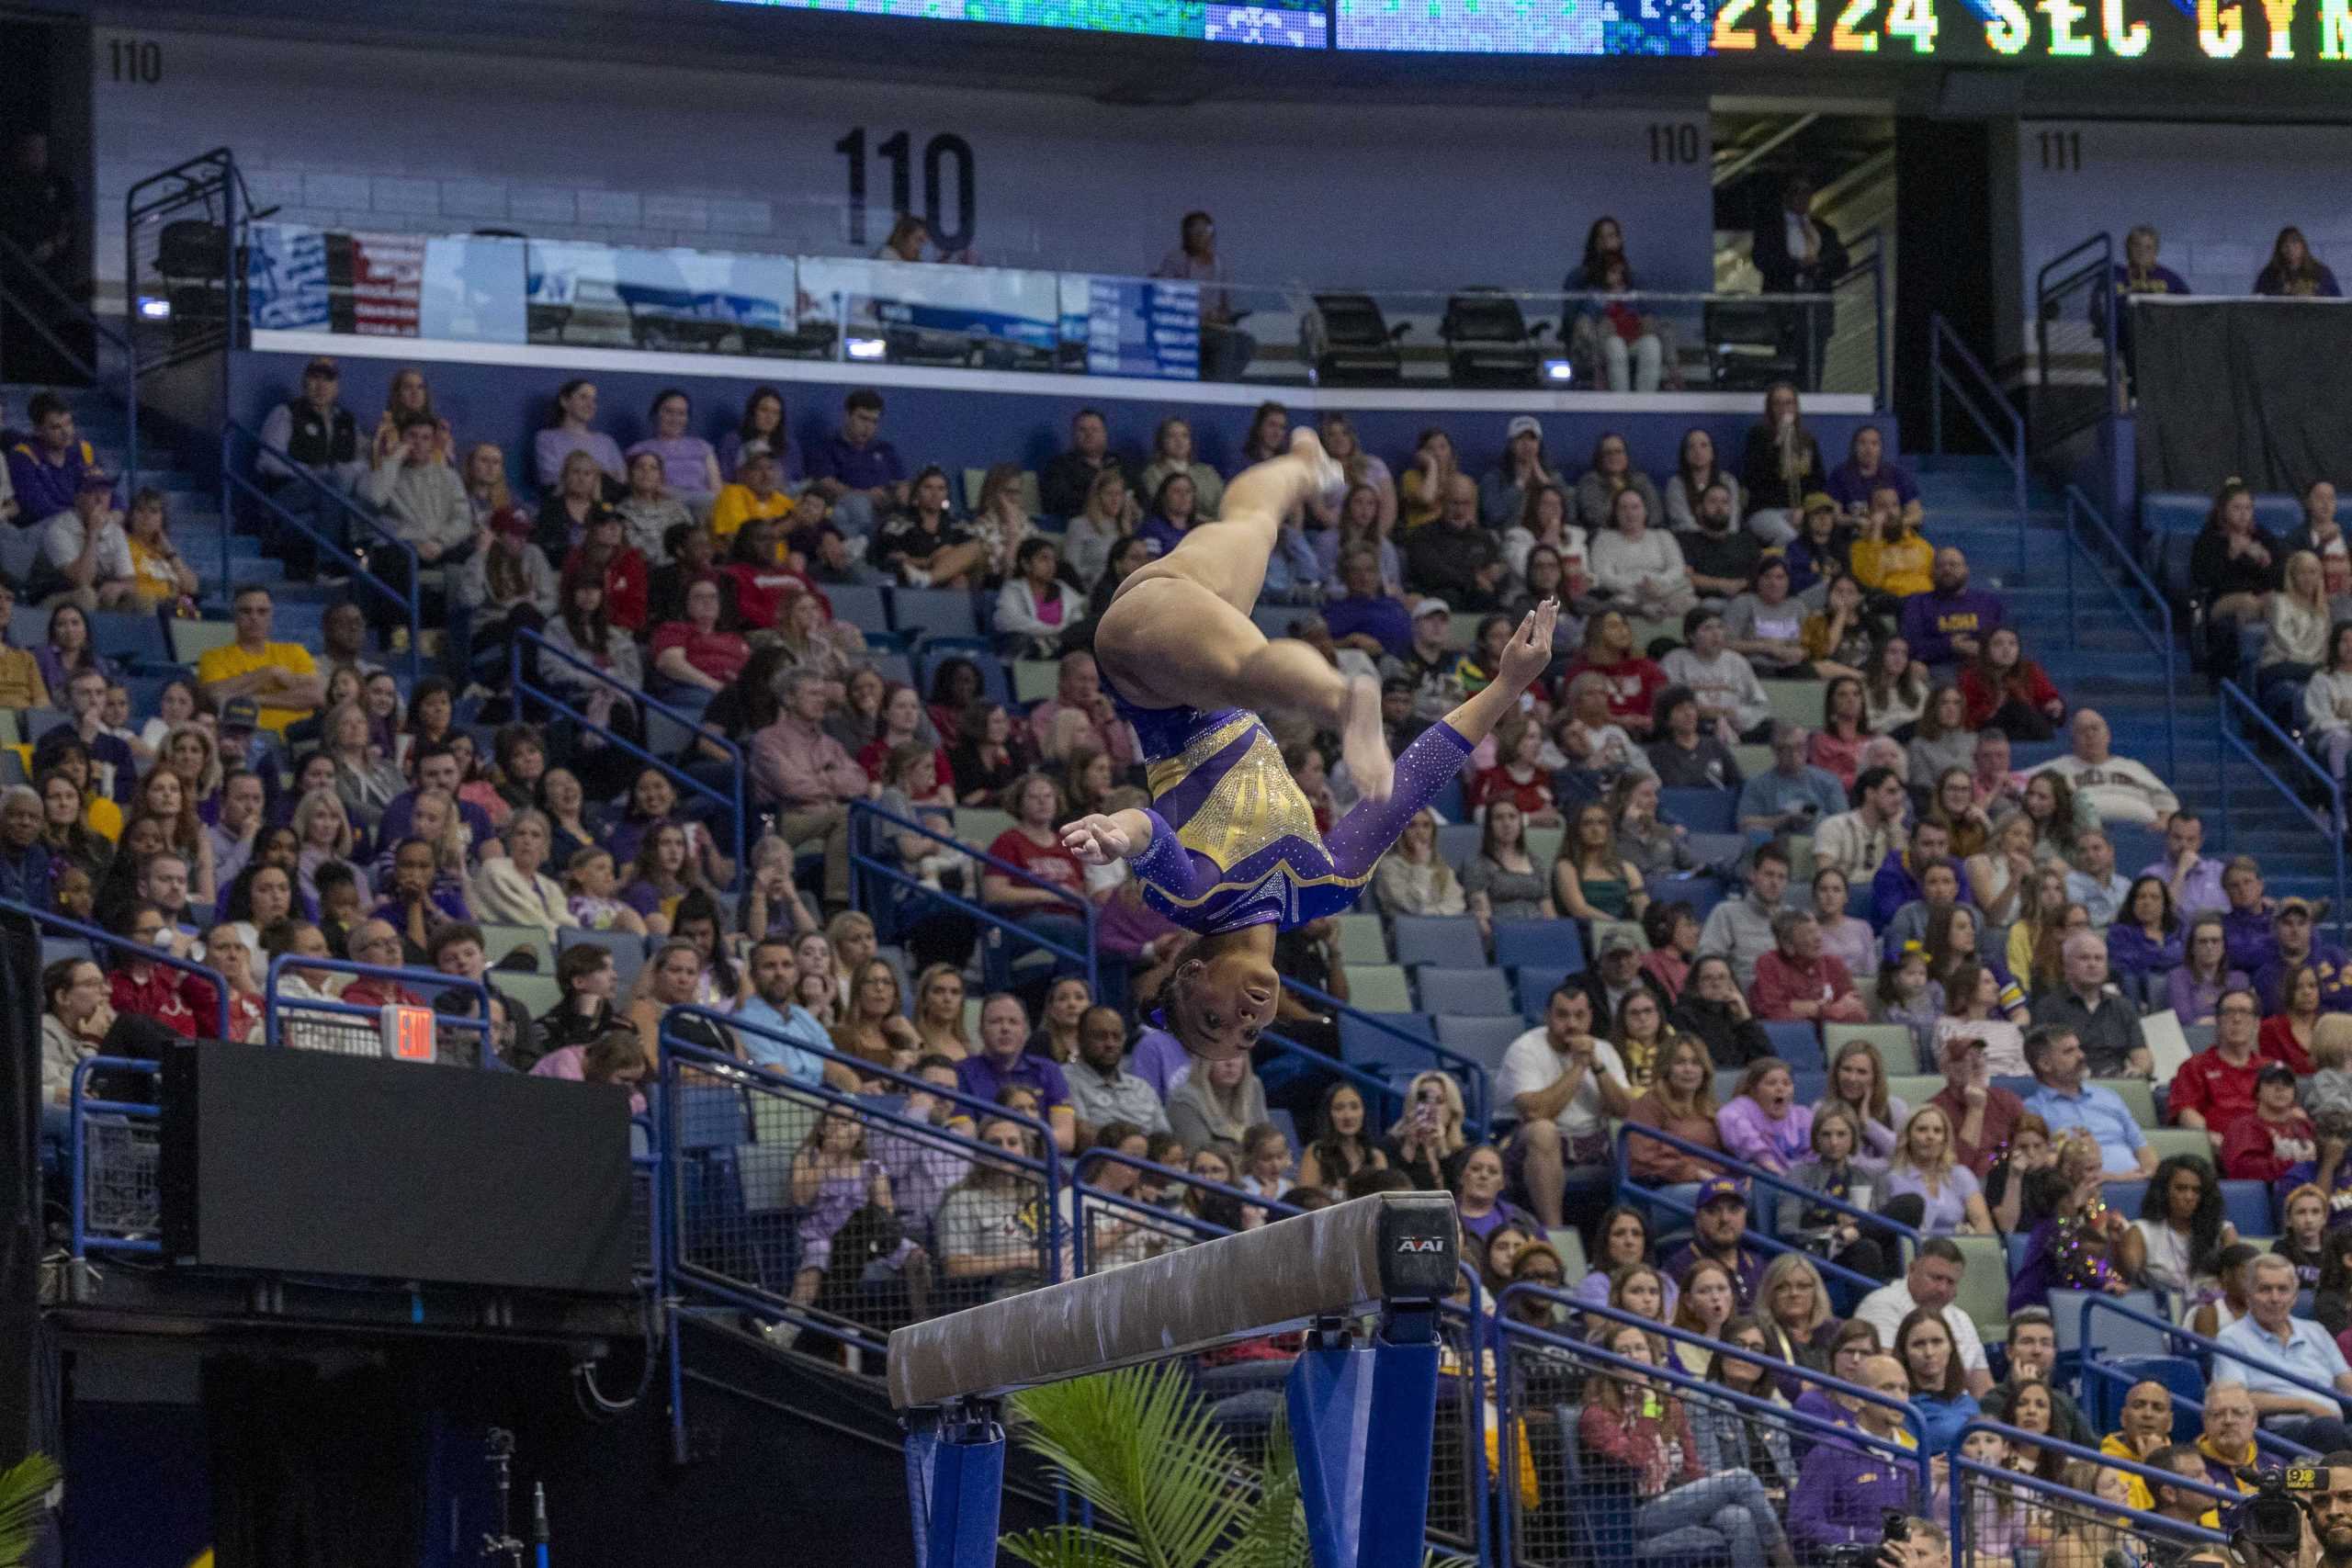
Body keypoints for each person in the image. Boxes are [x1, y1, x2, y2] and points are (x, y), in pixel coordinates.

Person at [1062, 436, 1559, 1064]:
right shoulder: (1327, 883)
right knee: (1255, 522)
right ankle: (1305, 463)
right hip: (1199, 627)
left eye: (1213, 1018)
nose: (1243, 1019)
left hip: (1145, 666)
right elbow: (1418, 777)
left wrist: (1116, 830)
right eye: (1248, 1033)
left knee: (1247, 671)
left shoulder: (1190, 895)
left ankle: (1342, 700)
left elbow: (1149, 833)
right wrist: (1508, 683)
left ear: (1189, 977)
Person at [1498, 984, 1630, 1229]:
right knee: (1543, 1130)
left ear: (1590, 1017)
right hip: (1535, 1145)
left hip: (1594, 1142)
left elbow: (1625, 1109)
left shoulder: (1604, 1050)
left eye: (1579, 1015)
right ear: (1547, 1016)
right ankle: (1556, 1234)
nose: (1571, 1024)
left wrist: (1597, 1067)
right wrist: (1578, 1067)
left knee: (1633, 1133)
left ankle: (1626, 1231)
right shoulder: (1524, 1049)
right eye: (1562, 1015)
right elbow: (1534, 1112)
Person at [1786, 1355, 1926, 1556]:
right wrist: (1870, 1540)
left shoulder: (1913, 1456)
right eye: (1887, 1388)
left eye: (1904, 1389)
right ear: (1858, 1397)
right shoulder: (1831, 1453)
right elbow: (1801, 1526)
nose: (1899, 1397)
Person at [749, 669, 866, 907]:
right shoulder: (768, 740)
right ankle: (838, 904)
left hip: (822, 815)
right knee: (844, 816)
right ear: (789, 699)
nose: (821, 700)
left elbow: (860, 781)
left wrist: (818, 780)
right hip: (778, 819)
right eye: (813, 694)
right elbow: (792, 788)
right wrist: (833, 780)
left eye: (823, 694)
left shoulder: (830, 744)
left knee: (862, 819)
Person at [2212, 1253, 2352, 1450]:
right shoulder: (2231, 1338)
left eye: (2283, 1289)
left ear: (2295, 1297)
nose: (2275, 1298)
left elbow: (2346, 1383)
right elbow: (2233, 1399)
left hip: (2335, 1424)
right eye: (2265, 1289)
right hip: (2279, 1432)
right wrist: (2306, 1405)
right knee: (2327, 1429)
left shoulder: (2316, 1331)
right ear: (2248, 1295)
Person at [1853, 1239, 1995, 1397]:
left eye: (1951, 1282)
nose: (1942, 1288)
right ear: (1912, 1269)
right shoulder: (1881, 1305)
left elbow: (1982, 1387)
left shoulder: (1962, 1319)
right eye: (1936, 1278)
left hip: (1959, 1410)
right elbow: (1883, 1374)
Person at [2020, 1025, 2158, 1179]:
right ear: (2045, 1064)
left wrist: (2148, 1176)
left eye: (2078, 1048)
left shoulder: (2108, 1097)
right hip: (2080, 1192)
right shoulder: (2033, 1110)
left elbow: (2141, 1147)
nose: (2081, 1056)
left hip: (2136, 1183)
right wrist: (2114, 1179)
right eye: (2069, 1051)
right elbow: (2044, 1163)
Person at [195, 585, 325, 736]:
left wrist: (253, 699)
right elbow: (216, 696)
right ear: (234, 616)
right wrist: (269, 673)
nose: (254, 618)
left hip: (299, 738)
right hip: (244, 739)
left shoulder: (295, 652)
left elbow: (316, 696)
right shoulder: (213, 657)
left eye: (262, 611)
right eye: (246, 611)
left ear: (271, 616)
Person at [2030, 931, 2149, 1078]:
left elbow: (2141, 1053)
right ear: (2066, 966)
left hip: (2119, 1083)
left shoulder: (2123, 1006)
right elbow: (2044, 1060)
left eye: (2099, 958)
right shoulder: (2048, 1007)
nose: (2092, 964)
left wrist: (2139, 1070)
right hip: (2071, 1084)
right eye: (2084, 958)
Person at [805, 389, 906, 539]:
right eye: (863, 419)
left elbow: (903, 483)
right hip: (849, 515)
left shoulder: (885, 450)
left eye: (874, 421)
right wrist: (866, 496)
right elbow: (826, 485)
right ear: (847, 416)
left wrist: (898, 495)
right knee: (858, 506)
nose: (868, 427)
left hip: (886, 514)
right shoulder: (828, 447)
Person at [1697, 844, 1793, 990]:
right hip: (1740, 997)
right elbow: (1707, 961)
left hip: (1788, 999)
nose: (1775, 883)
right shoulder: (1726, 913)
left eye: (1781, 877)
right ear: (1753, 875)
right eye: (1769, 874)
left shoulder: (1794, 918)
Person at [1900, 547, 2005, 670]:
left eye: (1953, 565)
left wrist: (1983, 650)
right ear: (1932, 572)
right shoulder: (1918, 602)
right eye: (1940, 566)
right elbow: (1910, 646)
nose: (1947, 569)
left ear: (1966, 570)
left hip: (1982, 669)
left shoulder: (1989, 602)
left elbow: (2004, 641)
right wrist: (1949, 645)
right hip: (1934, 669)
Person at [1735, 722, 1845, 836]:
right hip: (1775, 847)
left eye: (1799, 746)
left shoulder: (1828, 781)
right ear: (1775, 751)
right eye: (1786, 749)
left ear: (1807, 746)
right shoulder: (1757, 785)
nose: (1794, 754)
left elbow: (1844, 825)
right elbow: (1744, 825)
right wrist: (1783, 820)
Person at [1717, 1057, 1814, 1178]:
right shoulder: (1740, 1109)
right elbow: (1727, 1117)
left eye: (1786, 1083)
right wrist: (1768, 1163)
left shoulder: (1802, 1115)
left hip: (1803, 1182)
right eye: (1771, 1083)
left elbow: (1814, 1156)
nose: (1780, 1088)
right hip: (1763, 1180)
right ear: (1754, 1090)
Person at [2255, 226, 2343, 298]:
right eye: (2285, 245)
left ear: (2303, 246)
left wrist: (2313, 294)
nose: (2290, 249)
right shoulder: (2269, 274)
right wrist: (2282, 292)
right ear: (2279, 249)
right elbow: (2258, 301)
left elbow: (2336, 301)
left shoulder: (2321, 272)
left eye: (2294, 243)